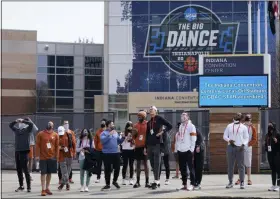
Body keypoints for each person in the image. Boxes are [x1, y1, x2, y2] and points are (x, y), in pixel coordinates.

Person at [145, 106, 172, 190]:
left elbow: (169, 126)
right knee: (152, 164)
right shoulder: (149, 122)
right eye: (150, 110)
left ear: (156, 111)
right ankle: (157, 181)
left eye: (152, 110)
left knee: (157, 163)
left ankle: (156, 181)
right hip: (149, 145)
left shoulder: (159, 118)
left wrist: (162, 132)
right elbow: (147, 135)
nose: (150, 111)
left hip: (157, 144)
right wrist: (145, 147)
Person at [223, 113, 249, 190]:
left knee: (241, 166)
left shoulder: (244, 127)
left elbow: (246, 138)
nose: (236, 115)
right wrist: (229, 140)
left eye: (238, 115)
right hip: (230, 147)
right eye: (236, 114)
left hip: (240, 147)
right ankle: (230, 182)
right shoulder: (229, 126)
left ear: (241, 118)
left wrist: (243, 145)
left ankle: (242, 182)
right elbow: (224, 136)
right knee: (230, 165)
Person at [9, 118, 34, 192]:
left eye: (21, 123)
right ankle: (21, 186)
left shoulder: (27, 130)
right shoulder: (16, 130)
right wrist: (15, 121)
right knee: (18, 169)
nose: (20, 124)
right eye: (19, 123)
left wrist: (23, 121)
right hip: (17, 151)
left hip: (24, 151)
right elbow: (10, 125)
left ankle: (28, 187)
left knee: (25, 169)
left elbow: (31, 124)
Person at [35, 121, 59, 196]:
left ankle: (47, 188)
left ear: (53, 126)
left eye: (51, 124)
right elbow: (37, 145)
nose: (49, 125)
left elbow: (57, 146)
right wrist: (37, 155)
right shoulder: (40, 134)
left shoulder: (55, 135)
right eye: (48, 124)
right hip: (43, 157)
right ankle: (43, 189)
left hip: (51, 157)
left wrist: (57, 156)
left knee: (49, 173)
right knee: (43, 173)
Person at [100, 120, 125, 191]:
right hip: (106, 153)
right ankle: (107, 184)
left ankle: (114, 181)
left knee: (117, 168)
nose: (113, 125)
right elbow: (103, 141)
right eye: (112, 124)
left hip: (116, 152)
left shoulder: (115, 133)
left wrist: (123, 138)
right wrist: (109, 134)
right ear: (108, 125)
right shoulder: (103, 133)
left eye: (113, 124)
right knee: (107, 169)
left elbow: (118, 141)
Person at [175, 112, 197, 191]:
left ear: (188, 117)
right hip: (181, 150)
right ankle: (184, 184)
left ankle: (192, 184)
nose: (183, 117)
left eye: (184, 115)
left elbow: (193, 139)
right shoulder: (181, 126)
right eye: (182, 115)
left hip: (188, 150)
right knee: (182, 168)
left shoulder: (191, 126)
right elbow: (179, 138)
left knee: (191, 168)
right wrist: (178, 148)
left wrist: (191, 149)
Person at [235, 113, 257, 186]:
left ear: (251, 119)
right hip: (241, 147)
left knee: (248, 164)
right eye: (247, 119)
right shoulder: (241, 126)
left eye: (249, 119)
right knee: (240, 163)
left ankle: (249, 179)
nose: (248, 121)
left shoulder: (253, 128)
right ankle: (240, 178)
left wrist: (248, 144)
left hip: (248, 147)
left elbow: (254, 139)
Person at [133, 111, 149, 188]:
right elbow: (133, 137)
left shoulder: (147, 124)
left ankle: (147, 182)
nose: (139, 117)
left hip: (145, 146)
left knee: (146, 164)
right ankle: (138, 182)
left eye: (140, 116)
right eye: (138, 116)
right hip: (138, 146)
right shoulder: (135, 125)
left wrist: (147, 146)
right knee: (138, 164)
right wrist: (133, 134)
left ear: (144, 117)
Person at [57, 126, 76, 191]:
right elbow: (55, 146)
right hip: (61, 155)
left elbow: (74, 144)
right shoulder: (57, 136)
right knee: (64, 171)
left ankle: (63, 184)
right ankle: (67, 184)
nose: (61, 134)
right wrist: (60, 148)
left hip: (69, 154)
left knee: (68, 170)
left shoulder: (69, 135)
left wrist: (74, 152)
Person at [265, 122, 280, 192]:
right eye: (268, 126)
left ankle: (279, 185)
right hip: (270, 154)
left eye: (271, 125)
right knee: (273, 170)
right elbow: (266, 144)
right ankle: (273, 185)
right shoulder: (267, 135)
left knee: (278, 170)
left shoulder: (277, 134)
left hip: (277, 154)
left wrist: (277, 141)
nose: (269, 127)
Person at [24, 118, 38, 182]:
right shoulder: (23, 126)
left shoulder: (31, 126)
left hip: (31, 144)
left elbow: (36, 129)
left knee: (31, 159)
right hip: (24, 145)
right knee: (25, 160)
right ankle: (27, 174)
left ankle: (29, 174)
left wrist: (31, 121)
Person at [94, 119, 107, 183]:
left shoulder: (108, 131)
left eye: (104, 123)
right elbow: (95, 141)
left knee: (106, 164)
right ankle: (98, 177)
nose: (102, 124)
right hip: (99, 150)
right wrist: (97, 149)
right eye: (101, 123)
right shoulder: (98, 132)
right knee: (99, 164)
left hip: (106, 151)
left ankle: (106, 177)